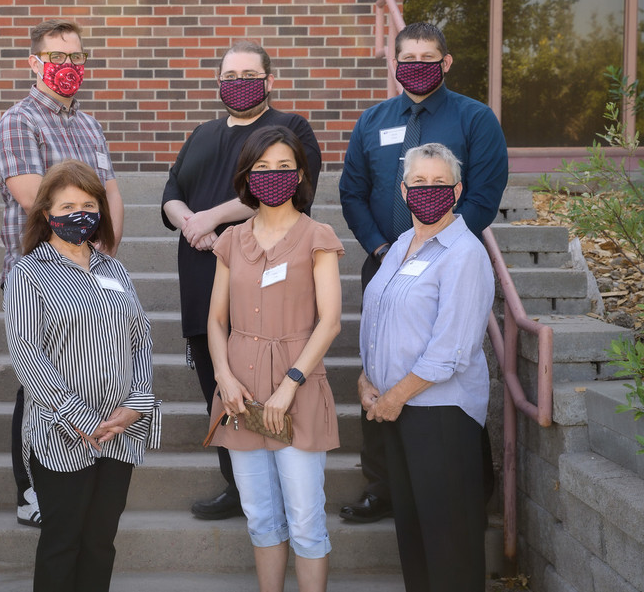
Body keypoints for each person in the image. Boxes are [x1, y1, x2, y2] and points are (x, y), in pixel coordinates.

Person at [337, 21, 507, 523]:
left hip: (448, 269)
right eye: (406, 57)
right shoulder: (373, 120)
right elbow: (352, 191)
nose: (416, 66)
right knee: (380, 369)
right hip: (387, 266)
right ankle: (384, 487)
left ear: (446, 62)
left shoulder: (475, 119)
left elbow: (484, 192)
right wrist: (382, 247)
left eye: (427, 56)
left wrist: (441, 247)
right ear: (394, 63)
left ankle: (469, 484)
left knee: (446, 375)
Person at [162, 40, 322, 520]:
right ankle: (240, 487)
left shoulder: (289, 129)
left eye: (250, 74)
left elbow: (290, 188)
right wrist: (191, 221)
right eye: (230, 75)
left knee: (267, 385)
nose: (239, 83)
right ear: (218, 82)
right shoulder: (202, 134)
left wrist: (210, 219)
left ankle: (281, 487)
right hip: (201, 280)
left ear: (270, 81)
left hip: (266, 283)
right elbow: (172, 193)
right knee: (220, 384)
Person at [3, 160, 159, 592]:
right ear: (47, 214)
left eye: (88, 204)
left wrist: (136, 403)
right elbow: (27, 355)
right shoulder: (29, 274)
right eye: (67, 204)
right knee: (62, 542)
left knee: (100, 543)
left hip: (120, 430)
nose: (79, 213)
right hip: (62, 432)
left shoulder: (114, 270)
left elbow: (140, 339)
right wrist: (80, 417)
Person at [0, 18, 124, 528]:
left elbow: (109, 192)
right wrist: (84, 230)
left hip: (93, 271)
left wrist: (106, 244)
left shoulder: (90, 125)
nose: (67, 67)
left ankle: (80, 470)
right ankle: (31, 491)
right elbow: (32, 195)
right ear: (34, 62)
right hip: (40, 276)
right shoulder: (19, 121)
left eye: (75, 58)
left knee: (82, 377)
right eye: (57, 57)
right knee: (39, 385)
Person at [206, 125, 342, 592]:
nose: (273, 176)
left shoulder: (317, 235)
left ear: (300, 174)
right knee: (261, 516)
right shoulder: (231, 240)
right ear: (247, 174)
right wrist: (223, 377)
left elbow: (330, 322)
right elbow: (215, 320)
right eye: (262, 167)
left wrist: (289, 386)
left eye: (284, 167)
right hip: (240, 392)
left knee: (305, 518)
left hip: (297, 388)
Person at [359, 143, 493, 592]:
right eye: (419, 183)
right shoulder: (400, 246)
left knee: (448, 542)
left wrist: (394, 397)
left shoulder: (464, 253)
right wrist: (366, 379)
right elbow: (380, 320)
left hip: (439, 414)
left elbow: (451, 349)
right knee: (414, 535)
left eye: (440, 183)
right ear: (403, 190)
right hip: (398, 410)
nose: (429, 191)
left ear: (457, 190)